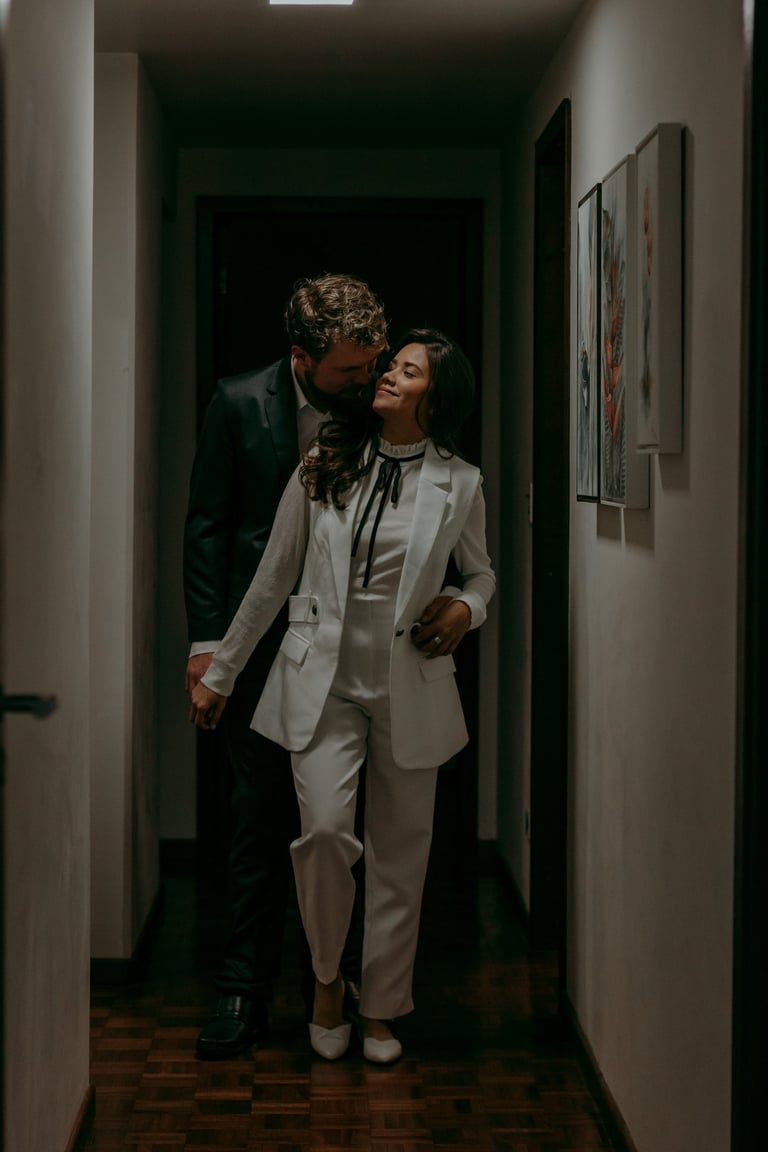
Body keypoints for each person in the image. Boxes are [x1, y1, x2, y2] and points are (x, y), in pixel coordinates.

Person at [189, 328, 495, 1064]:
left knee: (401, 856)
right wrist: (221, 671)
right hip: (321, 682)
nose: (386, 375)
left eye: (407, 371)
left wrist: (467, 606)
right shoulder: (324, 459)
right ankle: (328, 981)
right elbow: (273, 576)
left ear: (436, 399)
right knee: (325, 834)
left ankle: (383, 1008)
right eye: (392, 364)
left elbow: (481, 572)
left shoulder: (461, 483)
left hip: (409, 686)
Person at [184, 272, 388, 1058]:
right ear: (301, 359)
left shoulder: (379, 406)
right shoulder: (238, 403)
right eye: (349, 369)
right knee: (255, 819)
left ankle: (335, 984)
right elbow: (209, 526)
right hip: (256, 642)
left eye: (371, 364)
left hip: (347, 649)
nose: (366, 379)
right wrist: (210, 649)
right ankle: (243, 988)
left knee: (340, 827)